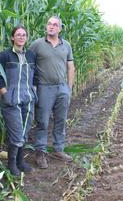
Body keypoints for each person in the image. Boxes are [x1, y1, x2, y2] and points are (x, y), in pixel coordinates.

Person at [29, 16, 75, 169]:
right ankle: (40, 152)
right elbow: (29, 66)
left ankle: (58, 149)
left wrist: (68, 88)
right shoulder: (37, 44)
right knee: (43, 121)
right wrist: (32, 86)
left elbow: (70, 67)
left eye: (55, 25)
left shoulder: (66, 45)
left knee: (61, 120)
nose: (51, 27)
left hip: (62, 88)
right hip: (44, 88)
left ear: (60, 29)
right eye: (49, 24)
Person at [0, 25, 37, 176]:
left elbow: (35, 75)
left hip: (27, 99)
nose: (21, 37)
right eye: (18, 35)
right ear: (12, 37)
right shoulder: (4, 56)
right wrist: (5, 93)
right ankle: (12, 164)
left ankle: (20, 162)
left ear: (27, 37)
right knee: (16, 133)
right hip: (11, 101)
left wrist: (33, 90)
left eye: (24, 35)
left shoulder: (30, 55)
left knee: (24, 131)